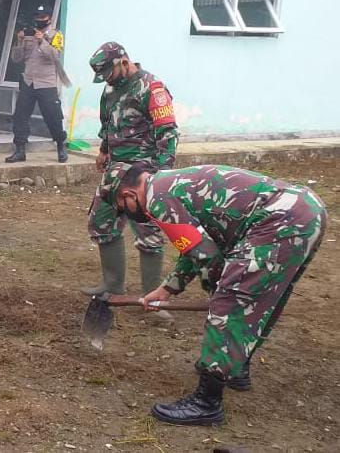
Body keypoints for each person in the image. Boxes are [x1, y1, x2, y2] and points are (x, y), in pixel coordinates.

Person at [103, 162, 327, 426]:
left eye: (122, 208)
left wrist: (221, 298)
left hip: (277, 220)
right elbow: (196, 245)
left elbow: (208, 260)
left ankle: (206, 402)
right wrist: (168, 289)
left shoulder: (156, 199)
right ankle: (236, 369)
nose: (129, 214)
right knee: (262, 299)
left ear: (127, 195)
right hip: (305, 211)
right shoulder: (169, 184)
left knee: (230, 301)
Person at [81, 42, 179, 300]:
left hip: (143, 173)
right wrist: (103, 150)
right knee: (101, 222)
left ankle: (152, 296)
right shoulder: (111, 89)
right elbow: (108, 124)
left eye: (109, 73)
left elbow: (168, 134)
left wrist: (163, 176)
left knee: (149, 233)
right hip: (115, 173)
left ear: (124, 62)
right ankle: (113, 285)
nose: (107, 80)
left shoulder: (152, 88)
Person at [6, 5, 68, 164]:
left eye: (43, 17)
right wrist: (19, 41)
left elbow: (56, 56)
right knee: (20, 115)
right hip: (28, 81)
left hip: (46, 83)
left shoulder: (56, 35)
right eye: (37, 17)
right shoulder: (29, 35)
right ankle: (20, 150)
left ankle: (61, 145)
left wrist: (43, 42)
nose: (39, 20)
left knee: (53, 116)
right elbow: (17, 58)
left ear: (49, 19)